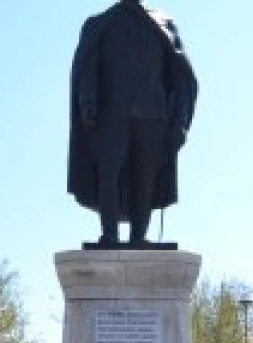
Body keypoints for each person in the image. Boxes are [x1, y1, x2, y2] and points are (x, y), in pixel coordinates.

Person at [67, 0, 198, 246]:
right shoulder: (101, 23)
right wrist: (87, 99)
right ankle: (110, 234)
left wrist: (180, 120)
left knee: (147, 175)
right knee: (108, 173)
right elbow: (88, 66)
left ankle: (139, 236)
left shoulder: (163, 23)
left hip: (153, 113)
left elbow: (180, 77)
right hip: (110, 112)